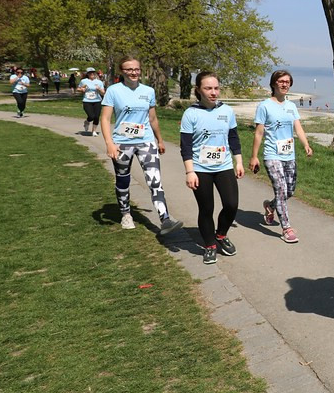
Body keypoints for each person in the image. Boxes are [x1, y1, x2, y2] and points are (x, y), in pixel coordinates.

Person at [100, 56, 183, 235]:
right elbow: (105, 118)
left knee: (155, 180)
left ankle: (165, 219)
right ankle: (126, 214)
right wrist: (109, 144)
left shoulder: (148, 91)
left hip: (146, 141)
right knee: (123, 180)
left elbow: (152, 118)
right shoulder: (114, 91)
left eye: (136, 69)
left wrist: (159, 139)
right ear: (122, 71)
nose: (134, 73)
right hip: (122, 143)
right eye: (129, 69)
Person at [181, 71, 244, 265]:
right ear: (198, 90)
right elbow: (186, 146)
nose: (213, 92)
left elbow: (233, 138)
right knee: (206, 208)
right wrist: (190, 171)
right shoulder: (191, 113)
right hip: (200, 168)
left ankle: (221, 235)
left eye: (216, 88)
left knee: (231, 204)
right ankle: (209, 245)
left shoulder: (227, 111)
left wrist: (238, 161)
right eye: (208, 88)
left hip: (224, 165)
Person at [250, 70, 313, 243]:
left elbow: (298, 127)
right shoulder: (264, 106)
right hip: (272, 154)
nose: (285, 84)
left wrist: (306, 144)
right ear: (273, 84)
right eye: (281, 81)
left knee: (289, 191)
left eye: (287, 82)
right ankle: (286, 228)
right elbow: (259, 133)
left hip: (289, 154)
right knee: (281, 189)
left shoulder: (291, 106)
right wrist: (254, 157)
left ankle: (270, 206)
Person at [78, 68, 106, 135]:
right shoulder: (84, 81)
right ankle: (87, 122)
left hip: (97, 101)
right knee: (91, 116)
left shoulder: (99, 82)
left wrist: (99, 89)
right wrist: (82, 89)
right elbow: (78, 89)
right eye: (90, 73)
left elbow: (103, 93)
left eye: (93, 72)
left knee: (96, 117)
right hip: (87, 101)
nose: (92, 74)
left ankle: (94, 131)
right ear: (87, 74)